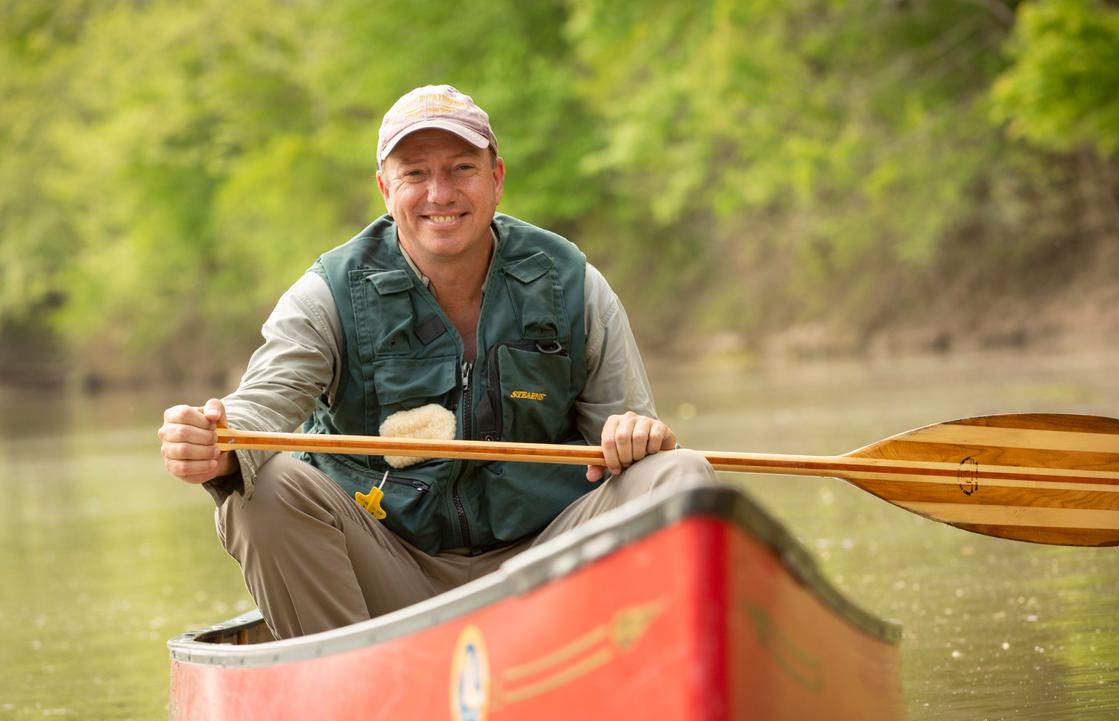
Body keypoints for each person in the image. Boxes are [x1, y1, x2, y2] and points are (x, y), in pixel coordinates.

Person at [158, 85, 714, 639]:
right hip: (393, 577)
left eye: (462, 168)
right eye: (415, 173)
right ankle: (352, 694)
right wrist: (218, 441)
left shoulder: (574, 284)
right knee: (265, 488)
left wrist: (636, 435)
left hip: (547, 570)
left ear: (497, 179)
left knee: (680, 475)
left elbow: (630, 447)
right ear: (385, 189)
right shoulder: (326, 294)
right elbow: (258, 410)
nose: (440, 193)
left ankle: (647, 668)